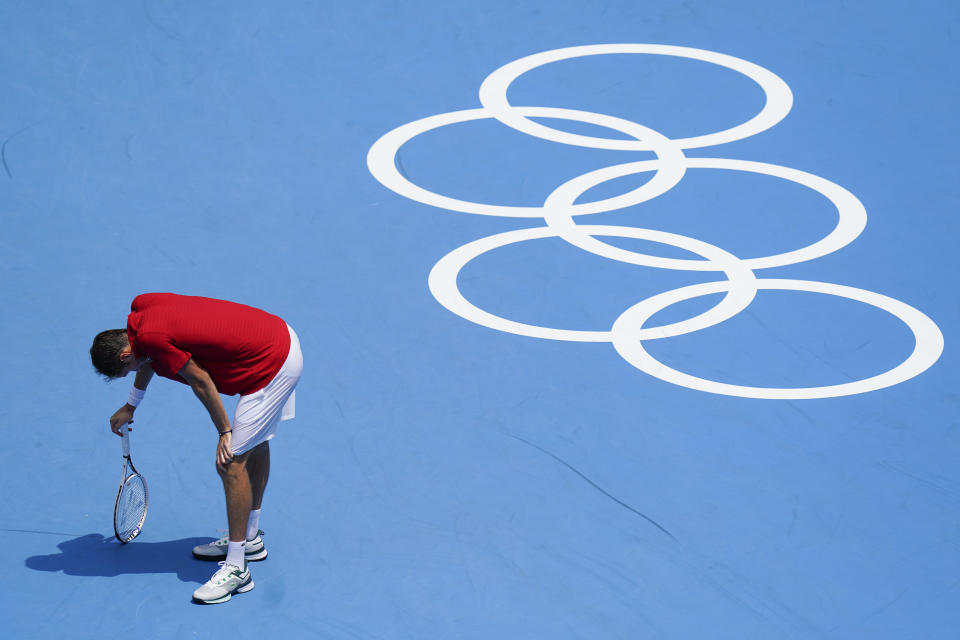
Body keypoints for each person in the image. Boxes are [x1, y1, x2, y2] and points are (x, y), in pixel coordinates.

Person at [90, 293, 303, 604]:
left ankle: (236, 569)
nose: (133, 373)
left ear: (124, 356)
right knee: (254, 447)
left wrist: (224, 432)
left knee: (230, 463)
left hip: (272, 364)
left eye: (127, 371)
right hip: (278, 334)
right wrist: (131, 405)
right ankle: (250, 538)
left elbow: (202, 381)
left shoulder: (149, 341)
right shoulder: (141, 314)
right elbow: (151, 356)